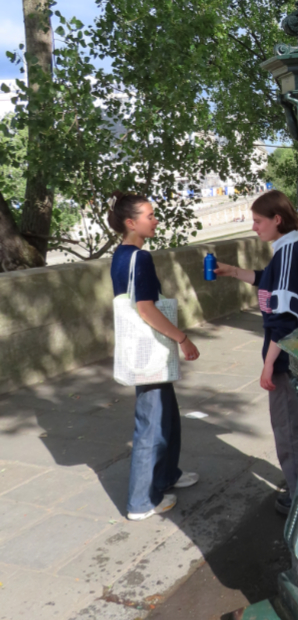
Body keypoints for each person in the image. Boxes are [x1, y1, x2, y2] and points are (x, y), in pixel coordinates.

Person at [214, 190, 298, 514]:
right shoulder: (296, 248)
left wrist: (268, 364)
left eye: (258, 221)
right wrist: (235, 272)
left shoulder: (288, 253)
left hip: (289, 360)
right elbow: (273, 284)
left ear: (277, 219)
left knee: (290, 431)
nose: (253, 227)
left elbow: (283, 317)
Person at [108, 192, 201, 521]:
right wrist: (182, 339)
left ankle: (166, 476)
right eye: (150, 215)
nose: (156, 220)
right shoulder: (140, 259)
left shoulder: (121, 255)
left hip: (147, 352)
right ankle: (142, 501)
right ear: (131, 223)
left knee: (167, 417)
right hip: (150, 351)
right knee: (152, 426)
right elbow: (146, 309)